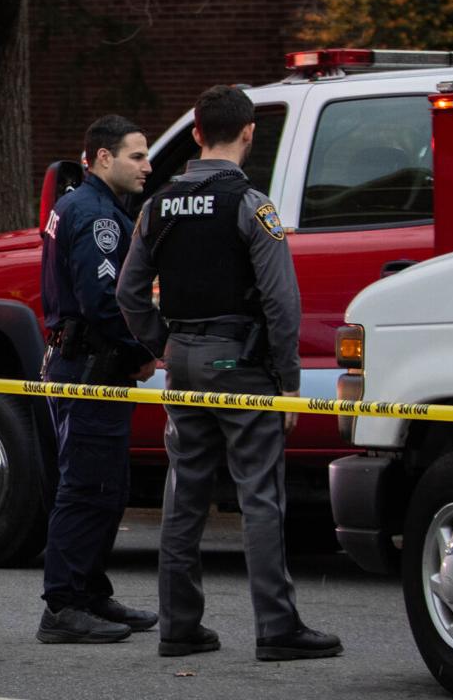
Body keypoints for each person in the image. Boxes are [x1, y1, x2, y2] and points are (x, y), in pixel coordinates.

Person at [116, 85, 343, 662]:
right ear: (248, 133)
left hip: (184, 363)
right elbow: (281, 301)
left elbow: (129, 292)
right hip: (240, 364)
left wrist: (165, 345)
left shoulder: (158, 205)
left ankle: (179, 627)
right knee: (260, 496)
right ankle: (277, 628)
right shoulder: (251, 205)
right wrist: (289, 380)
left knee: (184, 494)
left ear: (196, 133)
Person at [36, 115, 159, 644]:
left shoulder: (84, 205)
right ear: (104, 158)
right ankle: (63, 606)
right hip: (90, 366)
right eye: (137, 156)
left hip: (88, 363)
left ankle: (89, 592)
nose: (147, 166)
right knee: (86, 488)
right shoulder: (95, 216)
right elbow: (103, 302)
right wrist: (142, 351)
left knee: (107, 487)